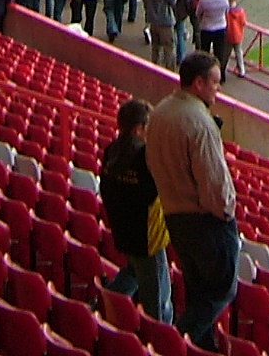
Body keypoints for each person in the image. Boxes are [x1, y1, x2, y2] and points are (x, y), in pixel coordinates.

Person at [146, 53, 237, 353]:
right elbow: (214, 183)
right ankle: (172, 342)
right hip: (206, 222)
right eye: (215, 83)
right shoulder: (199, 122)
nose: (218, 89)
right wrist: (225, 214)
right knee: (223, 289)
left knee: (199, 290)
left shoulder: (159, 112)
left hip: (176, 219)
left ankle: (201, 347)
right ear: (198, 83)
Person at [99, 99, 173, 323]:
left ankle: (104, 304)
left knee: (133, 272)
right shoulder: (147, 157)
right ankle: (159, 341)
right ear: (138, 129)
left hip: (124, 232)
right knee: (158, 301)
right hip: (148, 240)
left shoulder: (112, 151)